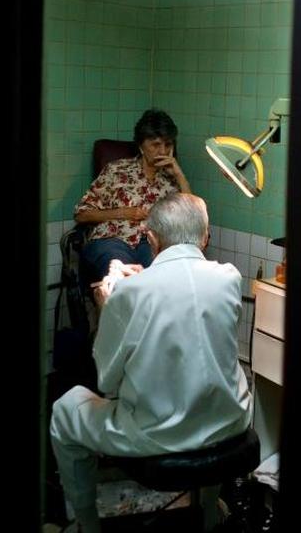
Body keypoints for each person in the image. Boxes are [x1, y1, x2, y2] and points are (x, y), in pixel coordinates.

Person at [50, 193, 252, 533]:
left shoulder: (130, 294)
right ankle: (208, 513)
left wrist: (106, 305)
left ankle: (87, 525)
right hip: (229, 422)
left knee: (64, 410)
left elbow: (108, 381)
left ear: (151, 239)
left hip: (159, 436)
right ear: (206, 236)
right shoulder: (229, 277)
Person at [74, 109, 191, 277]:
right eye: (156, 145)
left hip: (154, 245)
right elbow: (81, 214)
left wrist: (180, 175)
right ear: (141, 146)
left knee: (160, 278)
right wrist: (123, 213)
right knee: (123, 276)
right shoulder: (116, 170)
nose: (163, 151)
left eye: (168, 144)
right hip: (114, 239)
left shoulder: (172, 179)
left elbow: (192, 218)